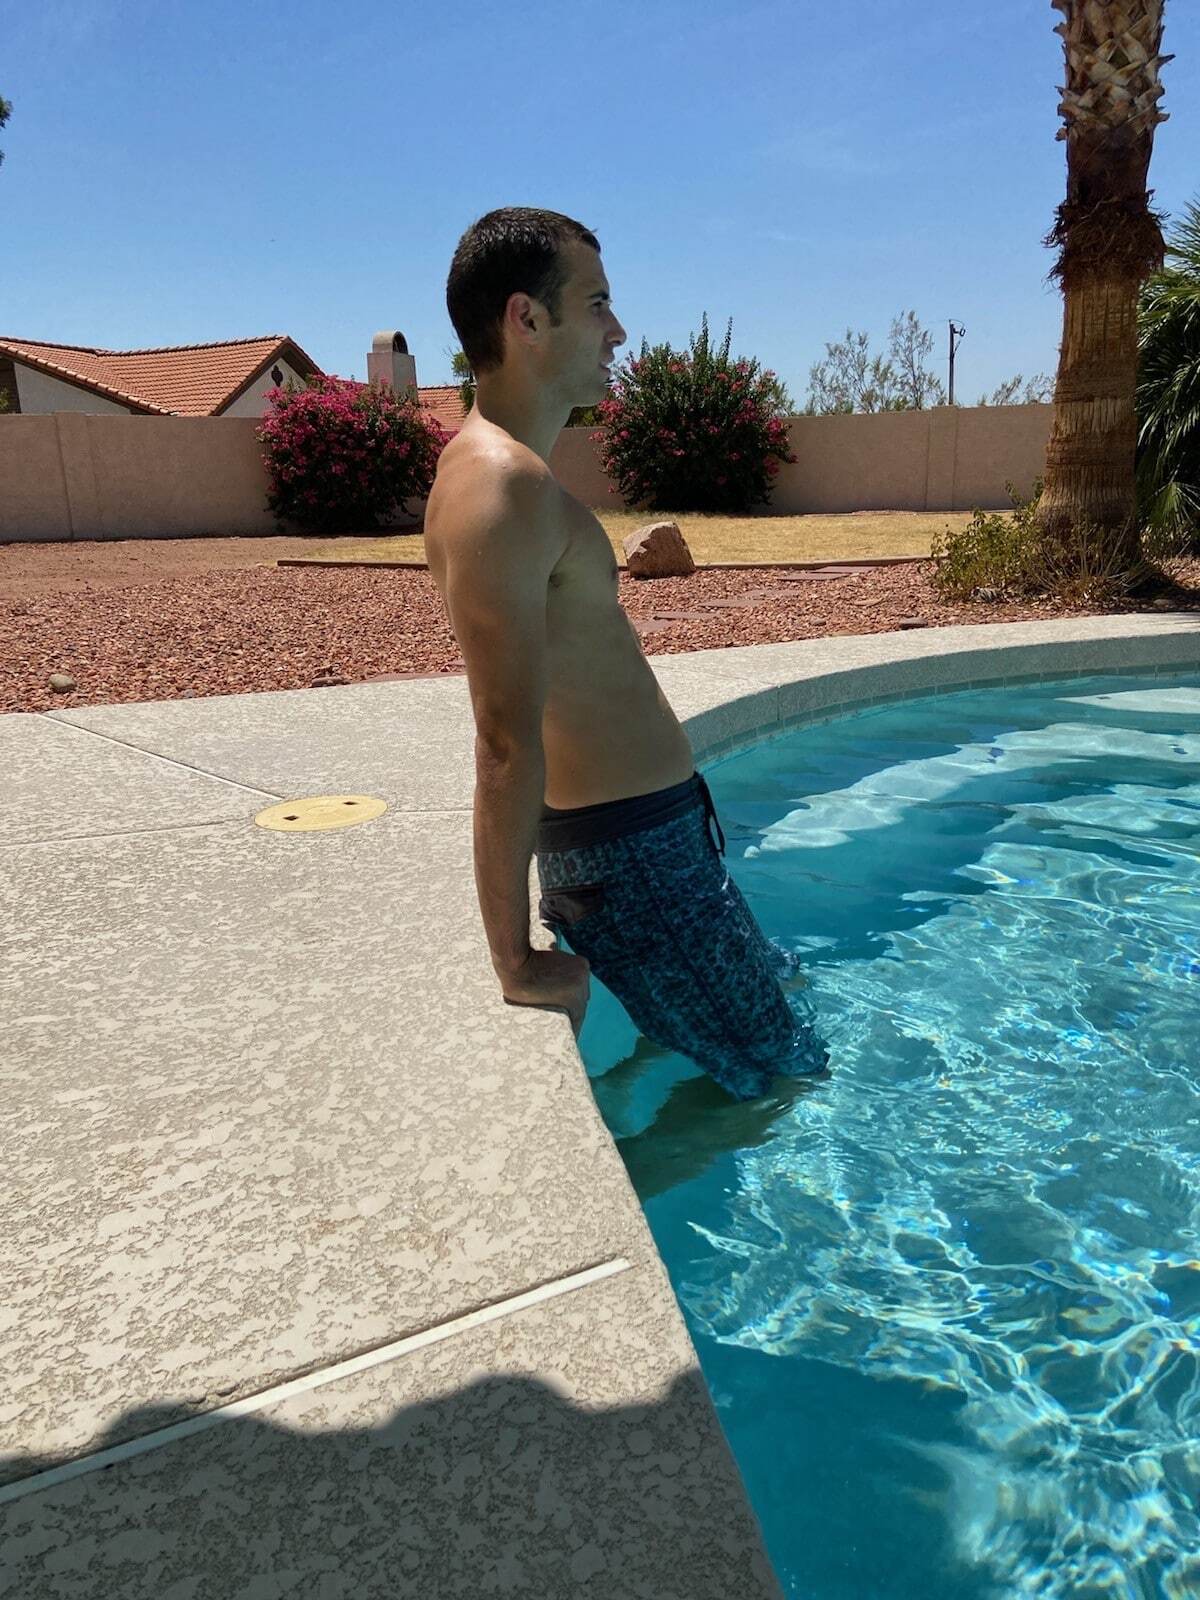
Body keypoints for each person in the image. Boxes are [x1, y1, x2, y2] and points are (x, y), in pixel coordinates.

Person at [425, 207, 829, 1102]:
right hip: (636, 860)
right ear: (527, 319)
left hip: (652, 845)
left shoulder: (505, 473)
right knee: (780, 1083)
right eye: (598, 303)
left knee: (775, 1011)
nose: (618, 331)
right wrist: (513, 958)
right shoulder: (501, 485)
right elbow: (503, 736)